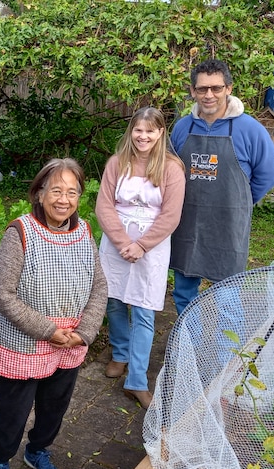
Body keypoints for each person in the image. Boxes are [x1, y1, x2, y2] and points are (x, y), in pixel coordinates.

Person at [0, 158, 107, 469]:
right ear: (39, 194)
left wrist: (85, 331)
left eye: (72, 192)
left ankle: (37, 450)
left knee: (55, 405)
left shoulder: (84, 233)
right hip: (25, 342)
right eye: (55, 190)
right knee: (13, 409)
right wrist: (48, 331)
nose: (63, 199)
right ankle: (0, 460)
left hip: (71, 342)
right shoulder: (20, 233)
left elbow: (99, 286)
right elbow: (3, 296)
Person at [169, 59, 274, 317]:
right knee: (185, 294)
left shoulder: (249, 129)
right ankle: (190, 352)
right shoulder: (182, 128)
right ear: (193, 91)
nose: (209, 95)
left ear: (229, 89)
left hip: (228, 226)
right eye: (202, 89)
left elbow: (270, 174)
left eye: (216, 88)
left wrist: (240, 201)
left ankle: (227, 357)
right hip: (187, 224)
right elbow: (170, 172)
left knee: (227, 297)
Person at [95, 107, 186, 408]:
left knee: (144, 311)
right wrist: (123, 242)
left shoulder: (172, 168)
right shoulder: (116, 163)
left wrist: (142, 245)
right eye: (138, 130)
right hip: (116, 242)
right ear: (131, 131)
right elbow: (104, 207)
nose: (143, 136)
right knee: (114, 301)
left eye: (150, 131)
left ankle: (137, 379)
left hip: (152, 246)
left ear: (160, 133)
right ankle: (120, 353)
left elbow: (171, 215)